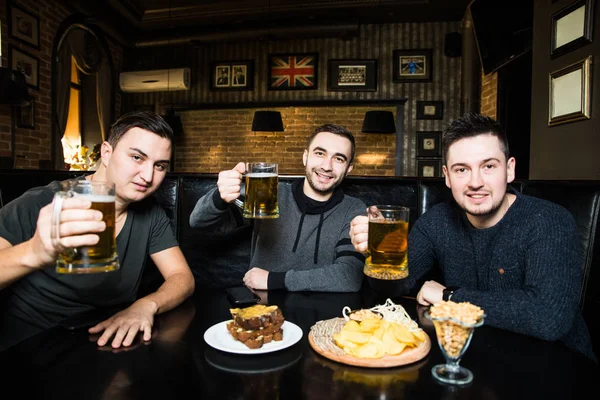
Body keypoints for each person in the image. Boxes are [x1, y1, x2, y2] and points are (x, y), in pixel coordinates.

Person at [349, 113, 596, 360]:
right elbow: (396, 285)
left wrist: (450, 297)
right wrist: (378, 252)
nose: (475, 182)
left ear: (509, 170)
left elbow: (547, 318)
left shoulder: (549, 220)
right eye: (462, 169)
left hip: (559, 368)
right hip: (477, 361)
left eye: (488, 166)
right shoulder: (437, 221)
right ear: (447, 176)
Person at [0, 111, 195, 350]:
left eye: (160, 166)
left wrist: (146, 305)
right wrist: (33, 252)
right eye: (136, 157)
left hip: (106, 341)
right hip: (31, 343)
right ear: (106, 152)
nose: (147, 176)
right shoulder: (43, 202)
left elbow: (182, 277)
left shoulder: (150, 213)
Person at [190, 124, 366, 292]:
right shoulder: (269, 193)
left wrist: (274, 280)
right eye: (320, 153)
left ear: (349, 168)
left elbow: (349, 277)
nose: (327, 166)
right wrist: (219, 196)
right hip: (262, 310)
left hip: (323, 313)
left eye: (339, 159)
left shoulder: (353, 209)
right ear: (305, 157)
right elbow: (198, 222)